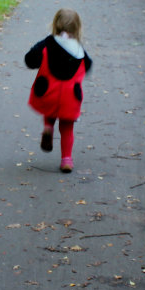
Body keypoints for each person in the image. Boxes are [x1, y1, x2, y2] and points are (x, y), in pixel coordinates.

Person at [25, 9, 92, 173]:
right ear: (77, 28)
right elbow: (88, 65)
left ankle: (48, 127)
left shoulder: (47, 43)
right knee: (67, 128)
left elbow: (30, 59)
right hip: (70, 98)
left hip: (48, 92)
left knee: (50, 108)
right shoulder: (79, 51)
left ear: (55, 25)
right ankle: (66, 160)